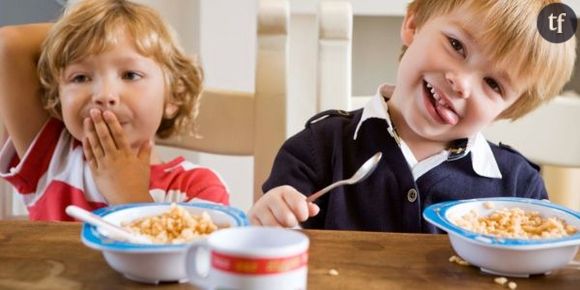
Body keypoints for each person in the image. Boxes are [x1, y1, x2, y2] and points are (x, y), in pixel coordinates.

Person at [249, 0, 576, 232]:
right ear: (413, 24)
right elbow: (273, 250)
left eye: (492, 84)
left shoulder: (520, 189)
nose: (461, 84)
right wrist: (271, 219)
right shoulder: (316, 149)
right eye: (456, 45)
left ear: (509, 109)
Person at [0, 0, 229, 221]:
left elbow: (190, 260)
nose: (104, 95)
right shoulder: (51, 156)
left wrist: (128, 196)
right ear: (57, 99)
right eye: (80, 77)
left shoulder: (198, 188)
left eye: (130, 75)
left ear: (173, 96)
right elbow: (9, 43)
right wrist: (84, 28)